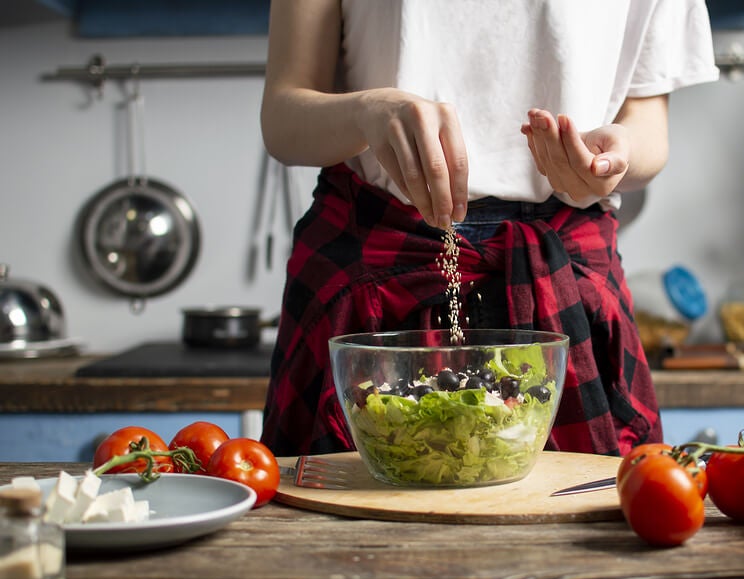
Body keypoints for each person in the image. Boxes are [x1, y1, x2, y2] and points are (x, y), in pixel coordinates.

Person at [259, 0, 719, 458]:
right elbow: (283, 118)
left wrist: (616, 156)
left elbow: (647, 130)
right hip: (375, 271)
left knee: (591, 521)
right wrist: (368, 110)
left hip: (566, 282)